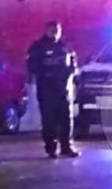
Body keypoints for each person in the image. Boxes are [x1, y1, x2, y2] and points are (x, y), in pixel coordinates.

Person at [27, 21, 80, 159]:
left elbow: (73, 64)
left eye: (57, 30)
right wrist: (47, 74)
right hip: (46, 90)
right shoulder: (38, 47)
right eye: (52, 30)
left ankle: (66, 147)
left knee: (66, 119)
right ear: (46, 30)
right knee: (49, 120)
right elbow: (32, 66)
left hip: (63, 89)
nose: (55, 33)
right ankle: (51, 148)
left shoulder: (65, 46)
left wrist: (71, 74)